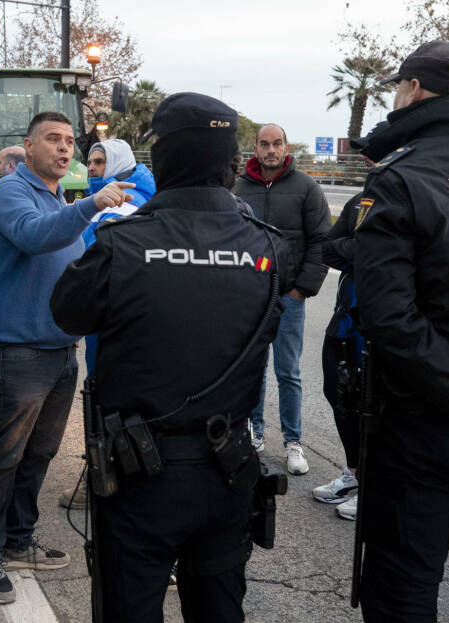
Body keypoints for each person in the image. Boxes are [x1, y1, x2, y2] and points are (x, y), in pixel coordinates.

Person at [51, 92, 287, 623]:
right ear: (227, 160)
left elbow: (67, 314)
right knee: (221, 606)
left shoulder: (122, 242)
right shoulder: (268, 246)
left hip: (139, 473)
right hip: (228, 466)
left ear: (167, 157)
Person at [354, 40, 449, 621]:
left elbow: (390, 318)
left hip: (428, 423)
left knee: (402, 587)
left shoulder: (402, 177)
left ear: (414, 89)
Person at [0, 111, 133, 605]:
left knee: (38, 455)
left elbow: (70, 266)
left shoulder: (57, 196)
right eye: (52, 140)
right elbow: (35, 236)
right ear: (28, 145)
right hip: (15, 352)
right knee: (3, 456)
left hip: (58, 350)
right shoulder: (13, 191)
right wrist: (89, 209)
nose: (64, 149)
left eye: (68, 142)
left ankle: (17, 540)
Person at [57, 138, 157, 511]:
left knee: (105, 401)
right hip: (125, 325)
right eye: (91, 162)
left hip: (113, 325)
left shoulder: (119, 205)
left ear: (116, 165)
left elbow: (91, 269)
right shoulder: (137, 197)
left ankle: (104, 480)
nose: (91, 169)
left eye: (98, 163)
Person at [234, 123, 331, 474]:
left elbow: (321, 241)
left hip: (290, 297)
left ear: (286, 146)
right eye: (264, 144)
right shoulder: (239, 187)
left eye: (276, 144)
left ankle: (293, 441)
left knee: (288, 371)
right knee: (252, 369)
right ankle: (254, 433)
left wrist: (301, 288)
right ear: (255, 148)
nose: (270, 150)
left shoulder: (306, 187)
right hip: (251, 297)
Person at [311, 124, 385, 521]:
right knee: (338, 393)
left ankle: (376, 485)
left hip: (382, 323)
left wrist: (359, 250)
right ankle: (354, 473)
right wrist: (359, 249)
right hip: (345, 320)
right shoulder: (359, 202)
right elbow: (328, 248)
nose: (367, 157)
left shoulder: (404, 199)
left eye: (374, 150)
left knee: (374, 403)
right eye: (365, 152)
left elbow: (385, 252)